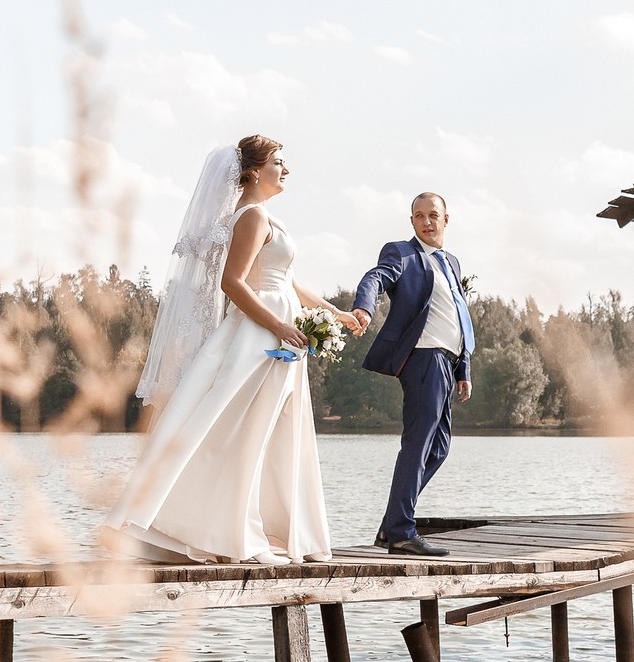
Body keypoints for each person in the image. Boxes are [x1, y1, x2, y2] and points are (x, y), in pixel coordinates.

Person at [100, 136, 368, 564]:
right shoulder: (253, 217)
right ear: (254, 170)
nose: (286, 169)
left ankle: (265, 532)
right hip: (258, 336)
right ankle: (217, 532)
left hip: (280, 333)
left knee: (265, 434)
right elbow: (233, 283)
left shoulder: (265, 218)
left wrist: (335, 313)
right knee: (237, 434)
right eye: (279, 162)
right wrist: (278, 324)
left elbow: (291, 282)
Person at [352, 192, 475, 556]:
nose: (426, 222)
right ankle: (402, 530)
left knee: (439, 448)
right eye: (419, 216)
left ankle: (392, 525)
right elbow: (375, 277)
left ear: (446, 219)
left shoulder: (450, 261)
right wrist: (364, 306)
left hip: (447, 363)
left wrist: (463, 367)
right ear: (412, 222)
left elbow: (458, 315)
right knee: (418, 445)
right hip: (422, 359)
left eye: (433, 215)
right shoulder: (401, 253)